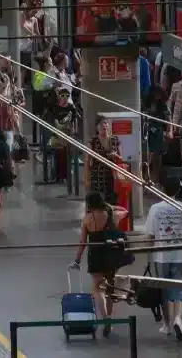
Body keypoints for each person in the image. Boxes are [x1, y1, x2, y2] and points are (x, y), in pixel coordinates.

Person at [145, 176, 182, 341]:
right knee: (178, 287)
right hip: (179, 255)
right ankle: (178, 318)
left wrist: (149, 258)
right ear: (177, 190)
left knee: (164, 289)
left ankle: (167, 325)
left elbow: (150, 236)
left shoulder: (155, 208)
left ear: (161, 188)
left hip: (161, 256)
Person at [72, 191, 129, 338]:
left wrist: (77, 259)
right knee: (110, 287)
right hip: (110, 254)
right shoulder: (112, 216)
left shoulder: (87, 219)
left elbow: (83, 242)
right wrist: (110, 206)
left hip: (95, 254)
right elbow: (125, 211)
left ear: (89, 204)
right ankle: (110, 315)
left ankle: (105, 318)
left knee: (97, 288)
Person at [84, 116, 121, 204]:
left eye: (105, 123)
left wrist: (116, 156)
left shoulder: (115, 140)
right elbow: (87, 160)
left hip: (111, 177)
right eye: (101, 124)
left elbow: (120, 158)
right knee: (97, 203)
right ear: (97, 127)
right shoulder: (92, 141)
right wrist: (87, 178)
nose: (103, 125)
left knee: (111, 202)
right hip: (97, 176)